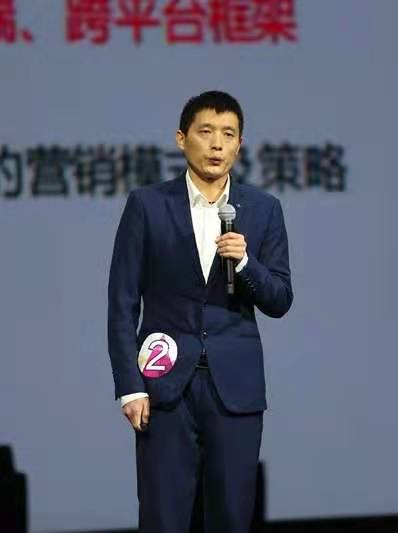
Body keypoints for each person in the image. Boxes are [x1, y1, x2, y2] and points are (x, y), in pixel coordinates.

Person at [107, 90, 293, 533]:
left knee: (231, 516)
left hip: (236, 388)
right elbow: (122, 301)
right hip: (165, 387)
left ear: (239, 145)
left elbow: (280, 299)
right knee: (163, 517)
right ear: (181, 138)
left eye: (228, 134)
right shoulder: (148, 205)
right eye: (205, 132)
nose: (216, 144)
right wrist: (129, 387)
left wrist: (246, 264)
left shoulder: (263, 210)